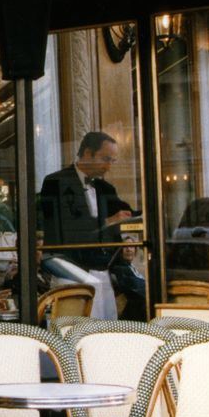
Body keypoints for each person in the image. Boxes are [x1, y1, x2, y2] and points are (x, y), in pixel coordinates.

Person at [38, 131, 135, 319]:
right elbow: (65, 227)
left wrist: (128, 235)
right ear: (88, 153)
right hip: (71, 270)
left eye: (112, 161)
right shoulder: (55, 182)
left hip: (103, 271)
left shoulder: (105, 188)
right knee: (74, 331)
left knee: (106, 332)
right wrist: (108, 221)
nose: (108, 166)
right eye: (105, 159)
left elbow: (127, 215)